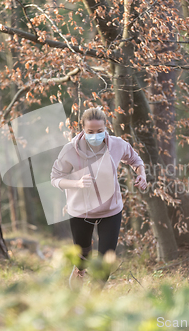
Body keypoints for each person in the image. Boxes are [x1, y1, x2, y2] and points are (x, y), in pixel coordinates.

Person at [50, 107, 147, 290]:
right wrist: (77, 184)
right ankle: (79, 270)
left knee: (105, 260)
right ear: (82, 130)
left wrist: (142, 175)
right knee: (83, 256)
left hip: (110, 210)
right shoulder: (69, 150)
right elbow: (55, 179)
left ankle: (95, 297)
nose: (95, 135)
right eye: (90, 132)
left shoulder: (118, 144)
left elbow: (136, 161)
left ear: (106, 127)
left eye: (99, 131)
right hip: (80, 211)